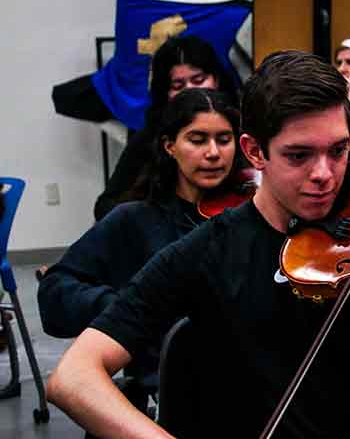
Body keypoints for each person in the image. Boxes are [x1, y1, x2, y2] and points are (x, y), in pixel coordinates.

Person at [46, 51, 350, 439]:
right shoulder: (208, 248)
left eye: (337, 150)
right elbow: (73, 377)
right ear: (254, 152)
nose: (324, 174)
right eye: (298, 155)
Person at [39, 88, 240, 414]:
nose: (214, 153)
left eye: (224, 139)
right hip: (166, 394)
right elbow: (54, 294)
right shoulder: (134, 219)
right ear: (170, 146)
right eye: (198, 139)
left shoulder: (252, 213)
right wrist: (127, 306)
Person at [93, 35, 236, 221]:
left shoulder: (243, 122)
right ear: (169, 146)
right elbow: (106, 206)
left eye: (199, 80)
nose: (190, 90)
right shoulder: (148, 137)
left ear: (216, 80)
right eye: (178, 85)